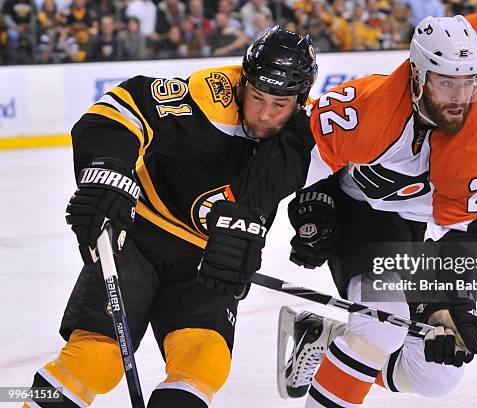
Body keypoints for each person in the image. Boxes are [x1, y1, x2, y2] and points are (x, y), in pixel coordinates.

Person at [23, 26, 317, 408]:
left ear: (300, 101)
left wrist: (313, 219)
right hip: (136, 240)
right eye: (256, 96)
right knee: (95, 361)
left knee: (204, 361)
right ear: (244, 82)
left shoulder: (303, 134)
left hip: (208, 259)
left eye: (278, 105)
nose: (262, 114)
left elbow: (327, 180)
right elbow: (121, 108)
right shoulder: (207, 99)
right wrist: (107, 170)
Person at [276, 15, 477, 406]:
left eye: (469, 81)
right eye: (446, 81)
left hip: (418, 239)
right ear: (417, 76)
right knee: (379, 328)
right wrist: (310, 215)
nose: (458, 96)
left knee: (437, 377)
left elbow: (466, 229)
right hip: (361, 223)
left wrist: (452, 308)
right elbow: (297, 166)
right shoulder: (368, 106)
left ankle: (323, 339)